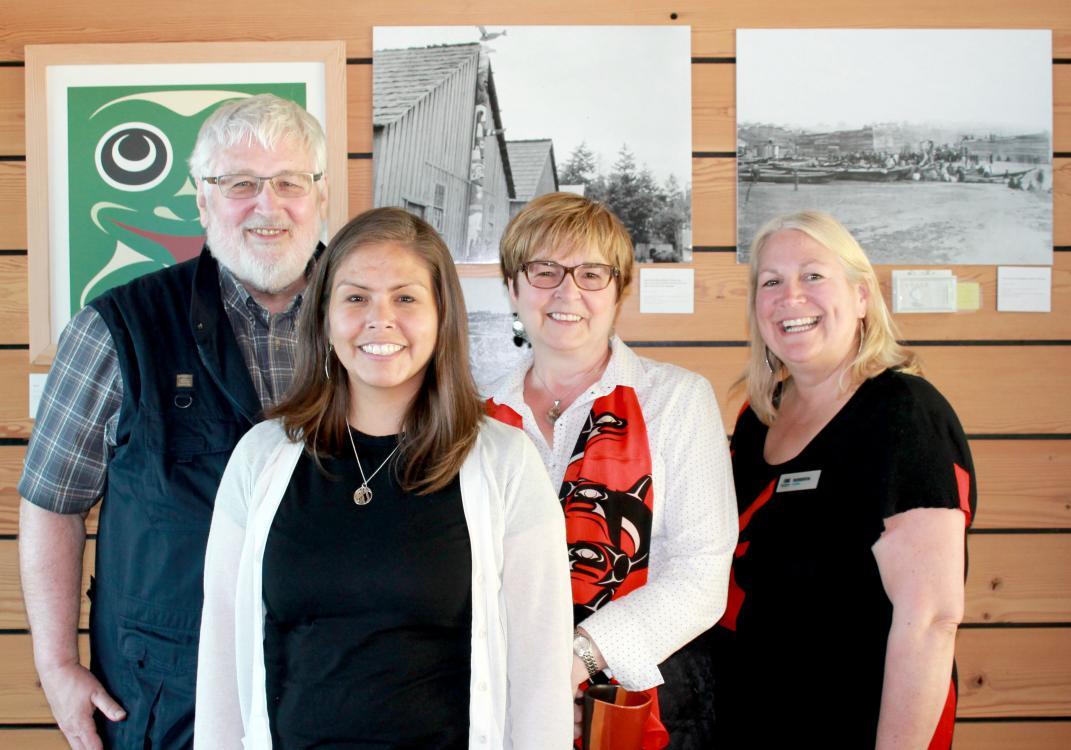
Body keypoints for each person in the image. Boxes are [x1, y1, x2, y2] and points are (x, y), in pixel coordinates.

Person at [194, 207, 573, 749]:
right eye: (355, 298)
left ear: (442, 314)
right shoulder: (260, 458)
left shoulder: (506, 464)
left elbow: (540, 676)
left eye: (405, 298)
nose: (380, 319)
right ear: (323, 315)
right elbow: (222, 659)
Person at [18, 94, 328, 750]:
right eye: (239, 184)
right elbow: (52, 503)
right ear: (201, 202)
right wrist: (55, 664)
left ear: (320, 197)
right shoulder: (118, 329)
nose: (267, 206)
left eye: (288, 182)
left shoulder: (379, 328)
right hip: (166, 698)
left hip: (337, 692)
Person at [712, 211, 976, 748]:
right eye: (771, 281)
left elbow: (929, 620)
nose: (791, 297)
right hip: (757, 717)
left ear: (861, 298)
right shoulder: (757, 417)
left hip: (858, 723)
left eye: (813, 275)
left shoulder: (903, 414)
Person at [485, 192, 738, 748]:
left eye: (591, 273)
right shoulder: (473, 414)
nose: (567, 291)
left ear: (620, 289)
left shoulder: (677, 400)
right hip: (498, 706)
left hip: (641, 702)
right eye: (544, 270)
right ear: (513, 287)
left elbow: (700, 574)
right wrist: (524, 686)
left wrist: (576, 661)